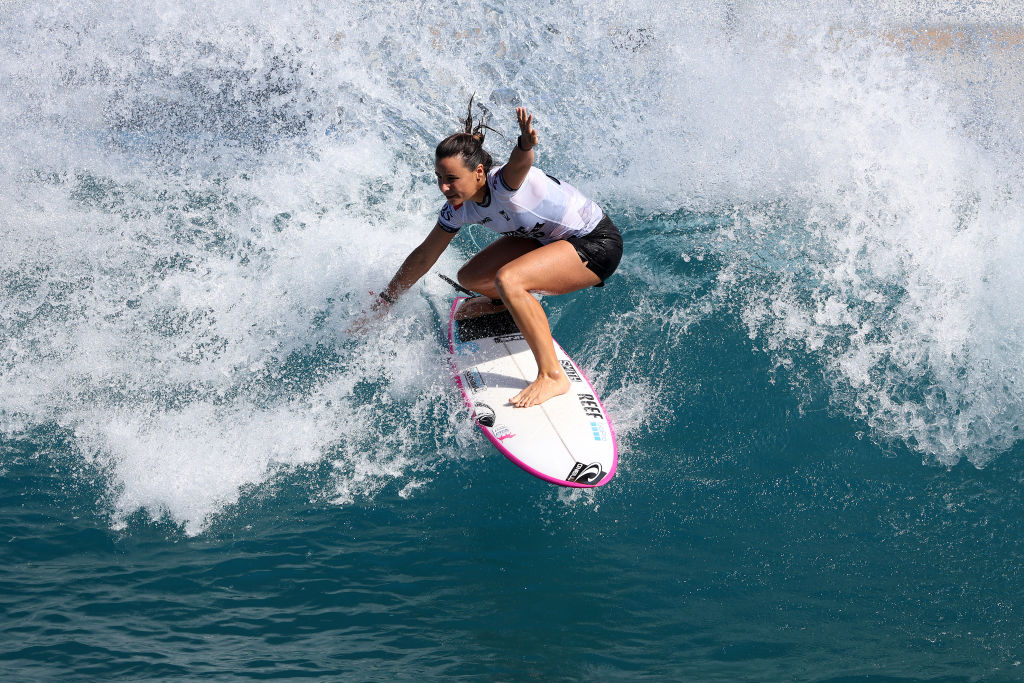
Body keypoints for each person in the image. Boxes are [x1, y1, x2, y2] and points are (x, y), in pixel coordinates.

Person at [362, 100, 622, 408]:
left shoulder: (502, 184)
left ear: (480, 173)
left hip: (595, 243)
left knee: (509, 279)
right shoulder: (458, 208)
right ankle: (503, 305)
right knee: (470, 277)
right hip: (548, 241)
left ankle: (552, 376)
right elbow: (423, 256)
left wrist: (525, 143)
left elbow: (520, 163)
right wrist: (386, 301)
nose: (443, 187)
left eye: (451, 179)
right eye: (439, 178)